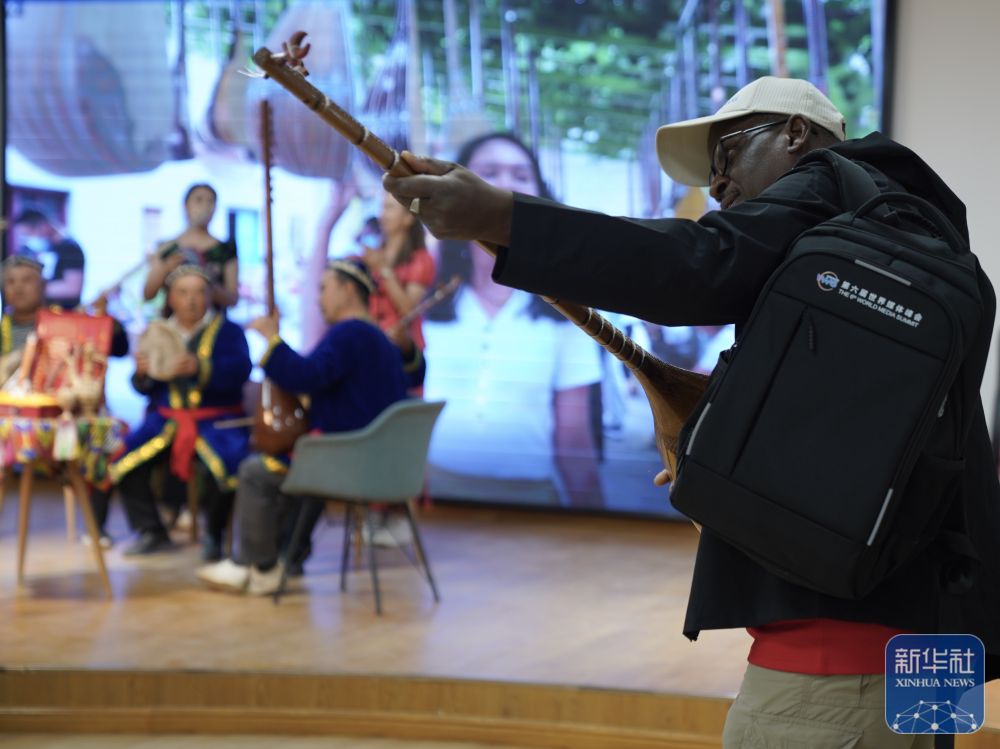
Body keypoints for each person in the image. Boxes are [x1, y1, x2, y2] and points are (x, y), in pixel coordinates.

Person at [383, 77, 1000, 748]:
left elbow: (696, 263)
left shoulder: (823, 186)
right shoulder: (922, 230)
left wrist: (503, 218)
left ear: (795, 134)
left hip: (829, 665)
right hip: (933, 648)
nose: (717, 185)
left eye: (727, 154)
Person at [195, 257, 409, 595]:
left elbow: (306, 376)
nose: (318, 298)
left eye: (324, 288)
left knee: (256, 471)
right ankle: (286, 558)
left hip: (347, 461)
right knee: (294, 468)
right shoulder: (377, 338)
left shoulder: (350, 333)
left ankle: (259, 566)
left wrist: (272, 339)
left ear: (348, 289)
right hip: (372, 462)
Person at [421, 132, 604, 508]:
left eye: (521, 175)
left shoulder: (567, 310)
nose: (505, 184)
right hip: (433, 502)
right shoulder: (427, 300)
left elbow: (574, 441)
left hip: (531, 504)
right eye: (489, 172)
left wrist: (599, 526)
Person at [109, 265, 251, 558]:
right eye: (183, 293)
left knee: (227, 466)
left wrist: (202, 368)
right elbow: (144, 388)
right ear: (171, 298)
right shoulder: (157, 332)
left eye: (199, 293)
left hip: (217, 420)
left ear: (211, 296)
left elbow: (241, 371)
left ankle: (214, 536)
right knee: (124, 462)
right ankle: (151, 530)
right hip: (166, 420)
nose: (192, 300)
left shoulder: (230, 332)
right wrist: (142, 375)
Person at [143, 184, 238, 309]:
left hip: (212, 320)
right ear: (186, 205)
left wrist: (206, 283)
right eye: (199, 200)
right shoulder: (168, 247)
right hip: (174, 320)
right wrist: (165, 269)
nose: (205, 206)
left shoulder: (225, 249)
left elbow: (233, 299)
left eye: (211, 201)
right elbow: (148, 294)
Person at [363, 190, 436, 352]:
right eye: (382, 208)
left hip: (402, 350)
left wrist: (384, 271)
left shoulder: (421, 260)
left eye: (389, 208)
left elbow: (408, 309)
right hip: (371, 344)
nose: (382, 215)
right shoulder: (374, 254)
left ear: (408, 217)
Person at [11, 209, 86, 310]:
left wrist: (33, 289)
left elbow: (73, 288)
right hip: (43, 311)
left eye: (29, 234)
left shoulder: (70, 248)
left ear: (43, 226)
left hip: (64, 313)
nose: (28, 240)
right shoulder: (46, 248)